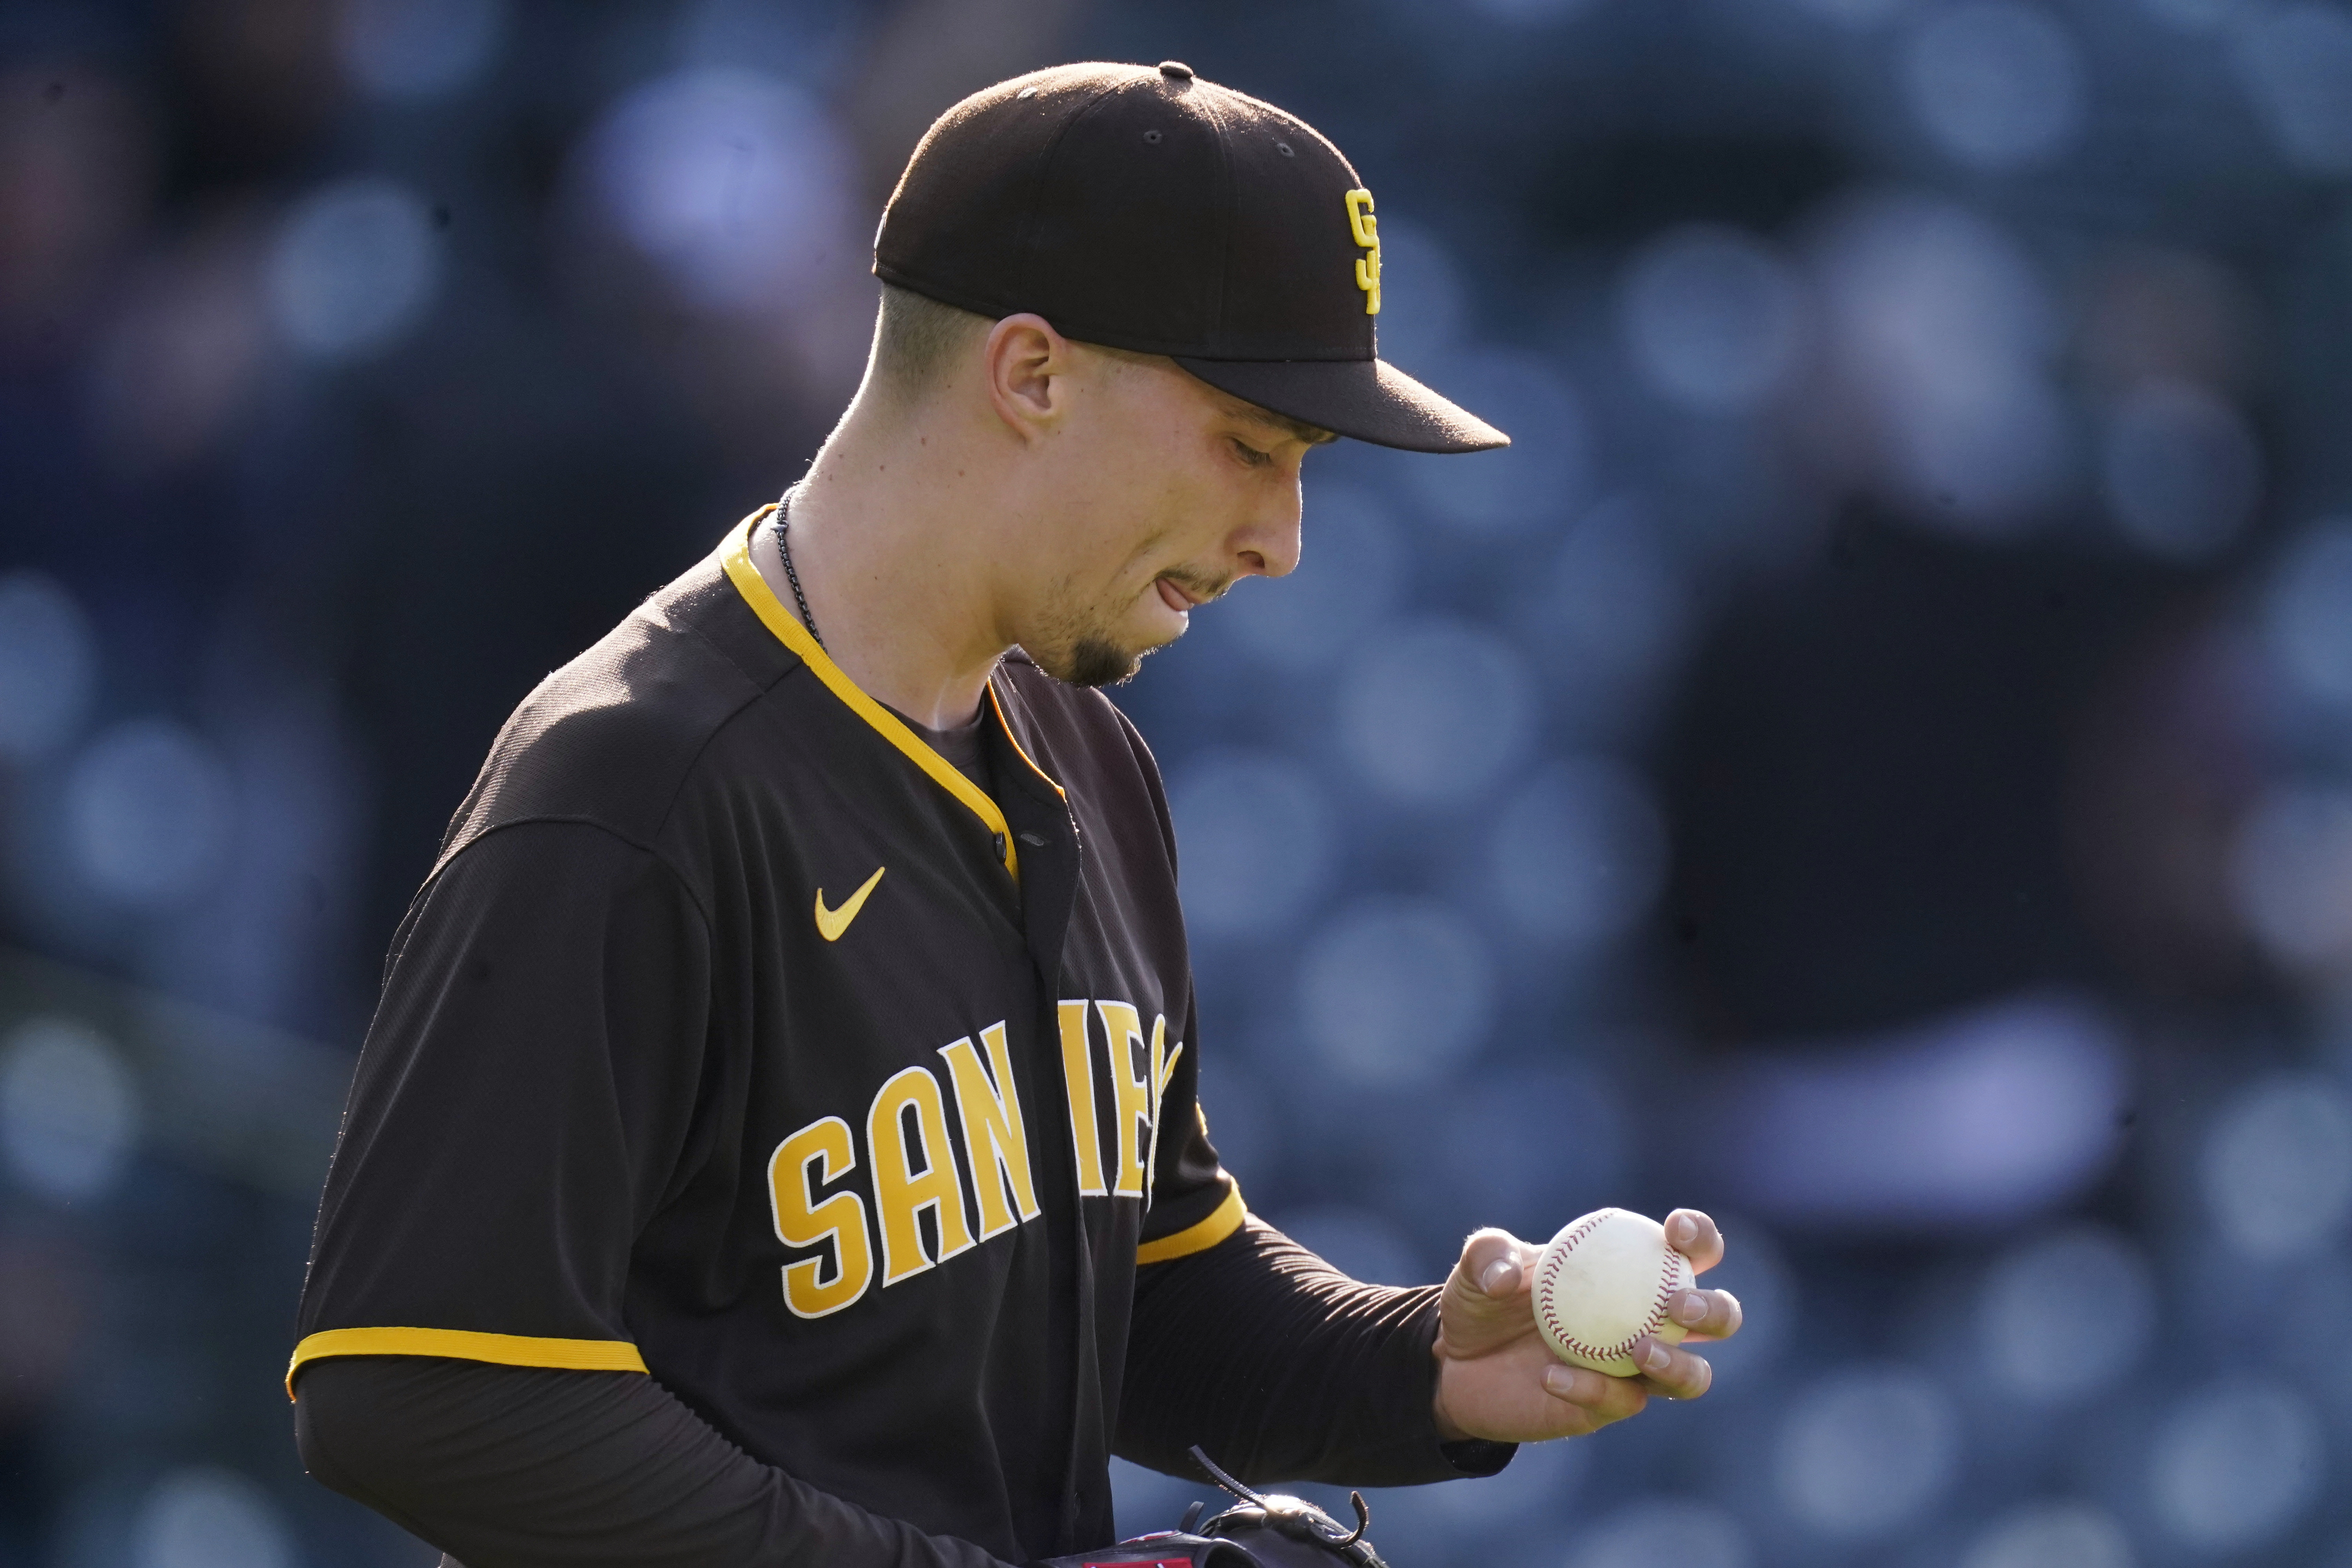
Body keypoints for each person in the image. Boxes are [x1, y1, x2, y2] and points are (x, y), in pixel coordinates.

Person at [289, 61, 1741, 1568]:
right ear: (1034, 373)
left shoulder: (1089, 764)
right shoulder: (632, 790)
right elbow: (420, 1383)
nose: (1283, 539)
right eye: (1252, 445)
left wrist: (1423, 1367)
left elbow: (1147, 1288)